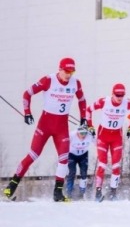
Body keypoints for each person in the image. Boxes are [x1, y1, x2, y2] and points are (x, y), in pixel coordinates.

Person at [3, 57, 87, 202]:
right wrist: (27, 112)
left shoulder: (76, 83)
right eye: (66, 71)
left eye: (71, 72)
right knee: (33, 155)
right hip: (45, 125)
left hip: (61, 127)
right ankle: (11, 186)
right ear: (59, 69)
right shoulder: (48, 80)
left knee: (64, 159)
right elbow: (27, 93)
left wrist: (83, 118)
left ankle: (58, 193)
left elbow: (82, 100)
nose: (68, 75)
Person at [86, 83, 130, 201]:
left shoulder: (127, 102)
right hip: (103, 136)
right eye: (117, 95)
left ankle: (113, 193)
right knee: (102, 164)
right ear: (112, 94)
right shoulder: (104, 101)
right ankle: (98, 192)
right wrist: (90, 126)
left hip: (116, 137)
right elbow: (88, 110)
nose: (119, 97)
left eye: (122, 95)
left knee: (116, 165)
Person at [66, 125, 94, 199]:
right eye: (81, 133)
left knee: (84, 173)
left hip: (83, 155)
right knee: (72, 172)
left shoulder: (89, 136)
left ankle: (82, 193)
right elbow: (63, 143)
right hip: (72, 155)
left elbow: (98, 142)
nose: (83, 135)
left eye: (85, 133)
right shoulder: (72, 135)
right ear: (77, 132)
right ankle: (69, 193)